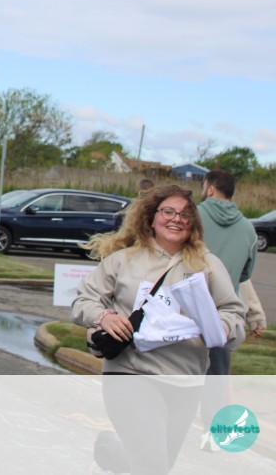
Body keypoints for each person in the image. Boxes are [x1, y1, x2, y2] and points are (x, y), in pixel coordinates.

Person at [72, 184, 245, 474]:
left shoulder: (208, 265)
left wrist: (221, 328)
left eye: (185, 214)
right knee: (152, 464)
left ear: (193, 223)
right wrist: (105, 317)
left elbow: (234, 314)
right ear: (151, 218)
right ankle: (117, 454)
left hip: (186, 380)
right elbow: (83, 301)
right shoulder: (123, 261)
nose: (177, 219)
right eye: (168, 212)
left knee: (158, 464)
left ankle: (112, 453)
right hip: (130, 373)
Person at [196, 169, 257, 449]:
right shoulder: (248, 229)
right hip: (223, 313)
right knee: (217, 378)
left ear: (210, 189)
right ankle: (212, 437)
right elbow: (246, 274)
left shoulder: (192, 216)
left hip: (187, 308)